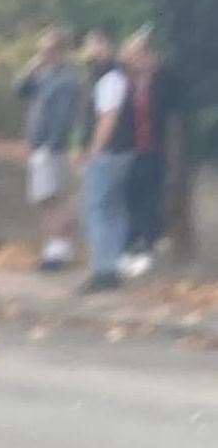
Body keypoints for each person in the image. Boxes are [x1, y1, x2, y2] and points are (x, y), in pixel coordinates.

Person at [118, 28, 182, 279]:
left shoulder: (163, 80)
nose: (137, 59)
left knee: (149, 199)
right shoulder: (126, 82)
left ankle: (147, 247)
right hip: (130, 150)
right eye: (133, 55)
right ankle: (132, 247)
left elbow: (172, 117)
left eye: (141, 54)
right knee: (130, 199)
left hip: (154, 149)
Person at [15, 27, 79, 272]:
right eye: (41, 50)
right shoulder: (42, 76)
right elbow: (19, 91)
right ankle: (56, 246)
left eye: (49, 50)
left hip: (50, 147)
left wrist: (50, 145)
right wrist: (30, 70)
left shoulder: (66, 79)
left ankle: (58, 249)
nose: (44, 55)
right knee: (45, 199)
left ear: (60, 51)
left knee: (52, 198)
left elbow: (63, 116)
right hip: (39, 145)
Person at [76, 31, 133, 294]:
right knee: (115, 209)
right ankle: (113, 266)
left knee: (98, 210)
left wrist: (94, 151)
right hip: (120, 152)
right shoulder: (112, 75)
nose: (89, 50)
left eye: (93, 45)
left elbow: (107, 117)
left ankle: (102, 270)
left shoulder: (108, 77)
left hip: (108, 153)